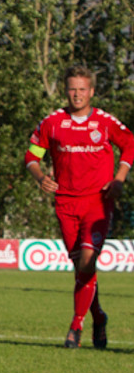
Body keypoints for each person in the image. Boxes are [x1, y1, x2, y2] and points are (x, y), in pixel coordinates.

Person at [25, 65, 134, 349]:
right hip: (65, 203)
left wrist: (119, 178)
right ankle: (99, 317)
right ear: (66, 90)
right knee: (82, 270)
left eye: (82, 89)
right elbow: (32, 155)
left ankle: (76, 326)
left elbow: (130, 144)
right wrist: (40, 177)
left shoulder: (105, 122)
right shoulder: (52, 123)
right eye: (72, 89)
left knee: (87, 261)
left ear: (91, 92)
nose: (77, 94)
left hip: (98, 202)